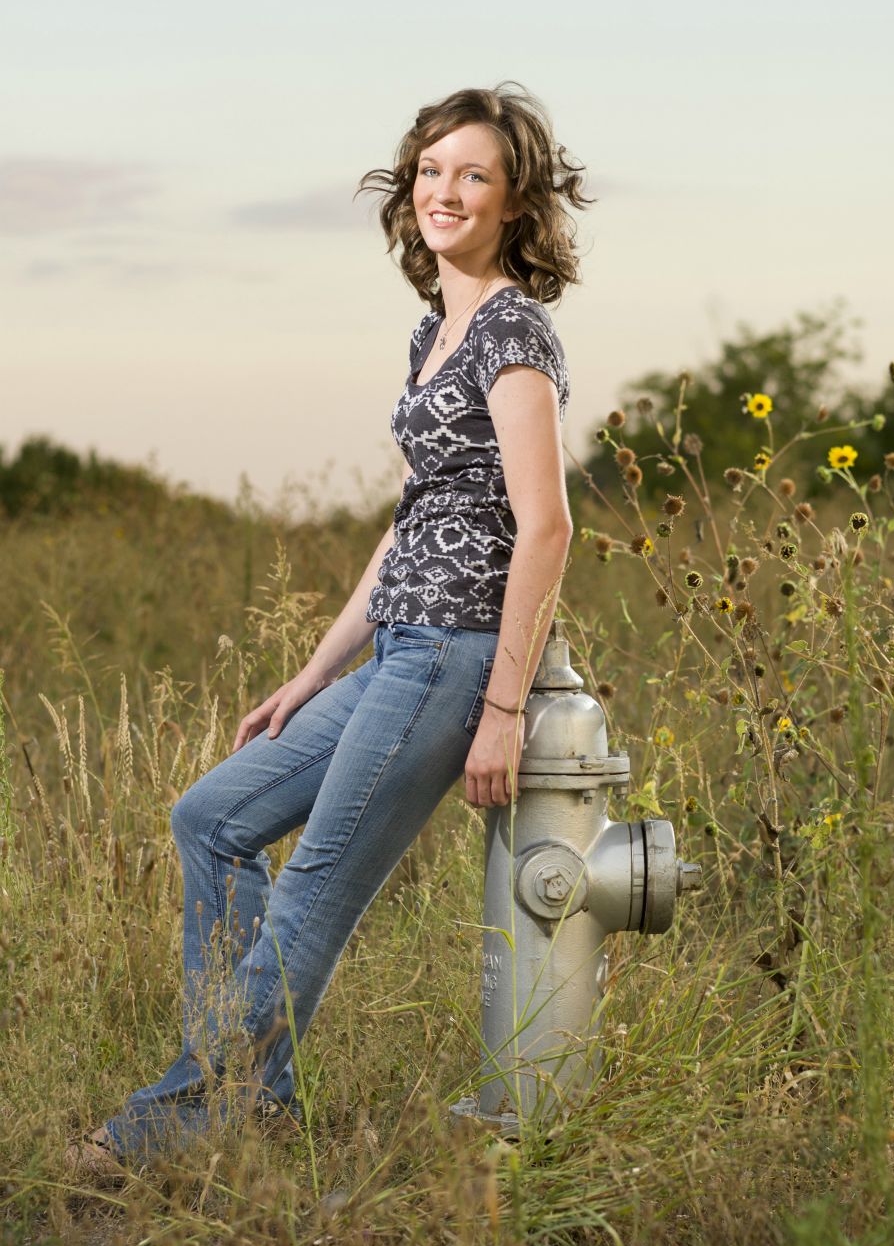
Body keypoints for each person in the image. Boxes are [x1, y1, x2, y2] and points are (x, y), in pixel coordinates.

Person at [65, 80, 591, 1179]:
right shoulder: (431, 332)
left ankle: (170, 1126)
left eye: (475, 174)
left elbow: (546, 528)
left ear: (514, 203)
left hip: (454, 656)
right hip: (398, 641)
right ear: (411, 186)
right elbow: (414, 522)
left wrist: (501, 708)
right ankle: (257, 1105)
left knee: (310, 892)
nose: (446, 189)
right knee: (210, 816)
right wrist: (313, 671)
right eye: (432, 168)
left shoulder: (512, 331)